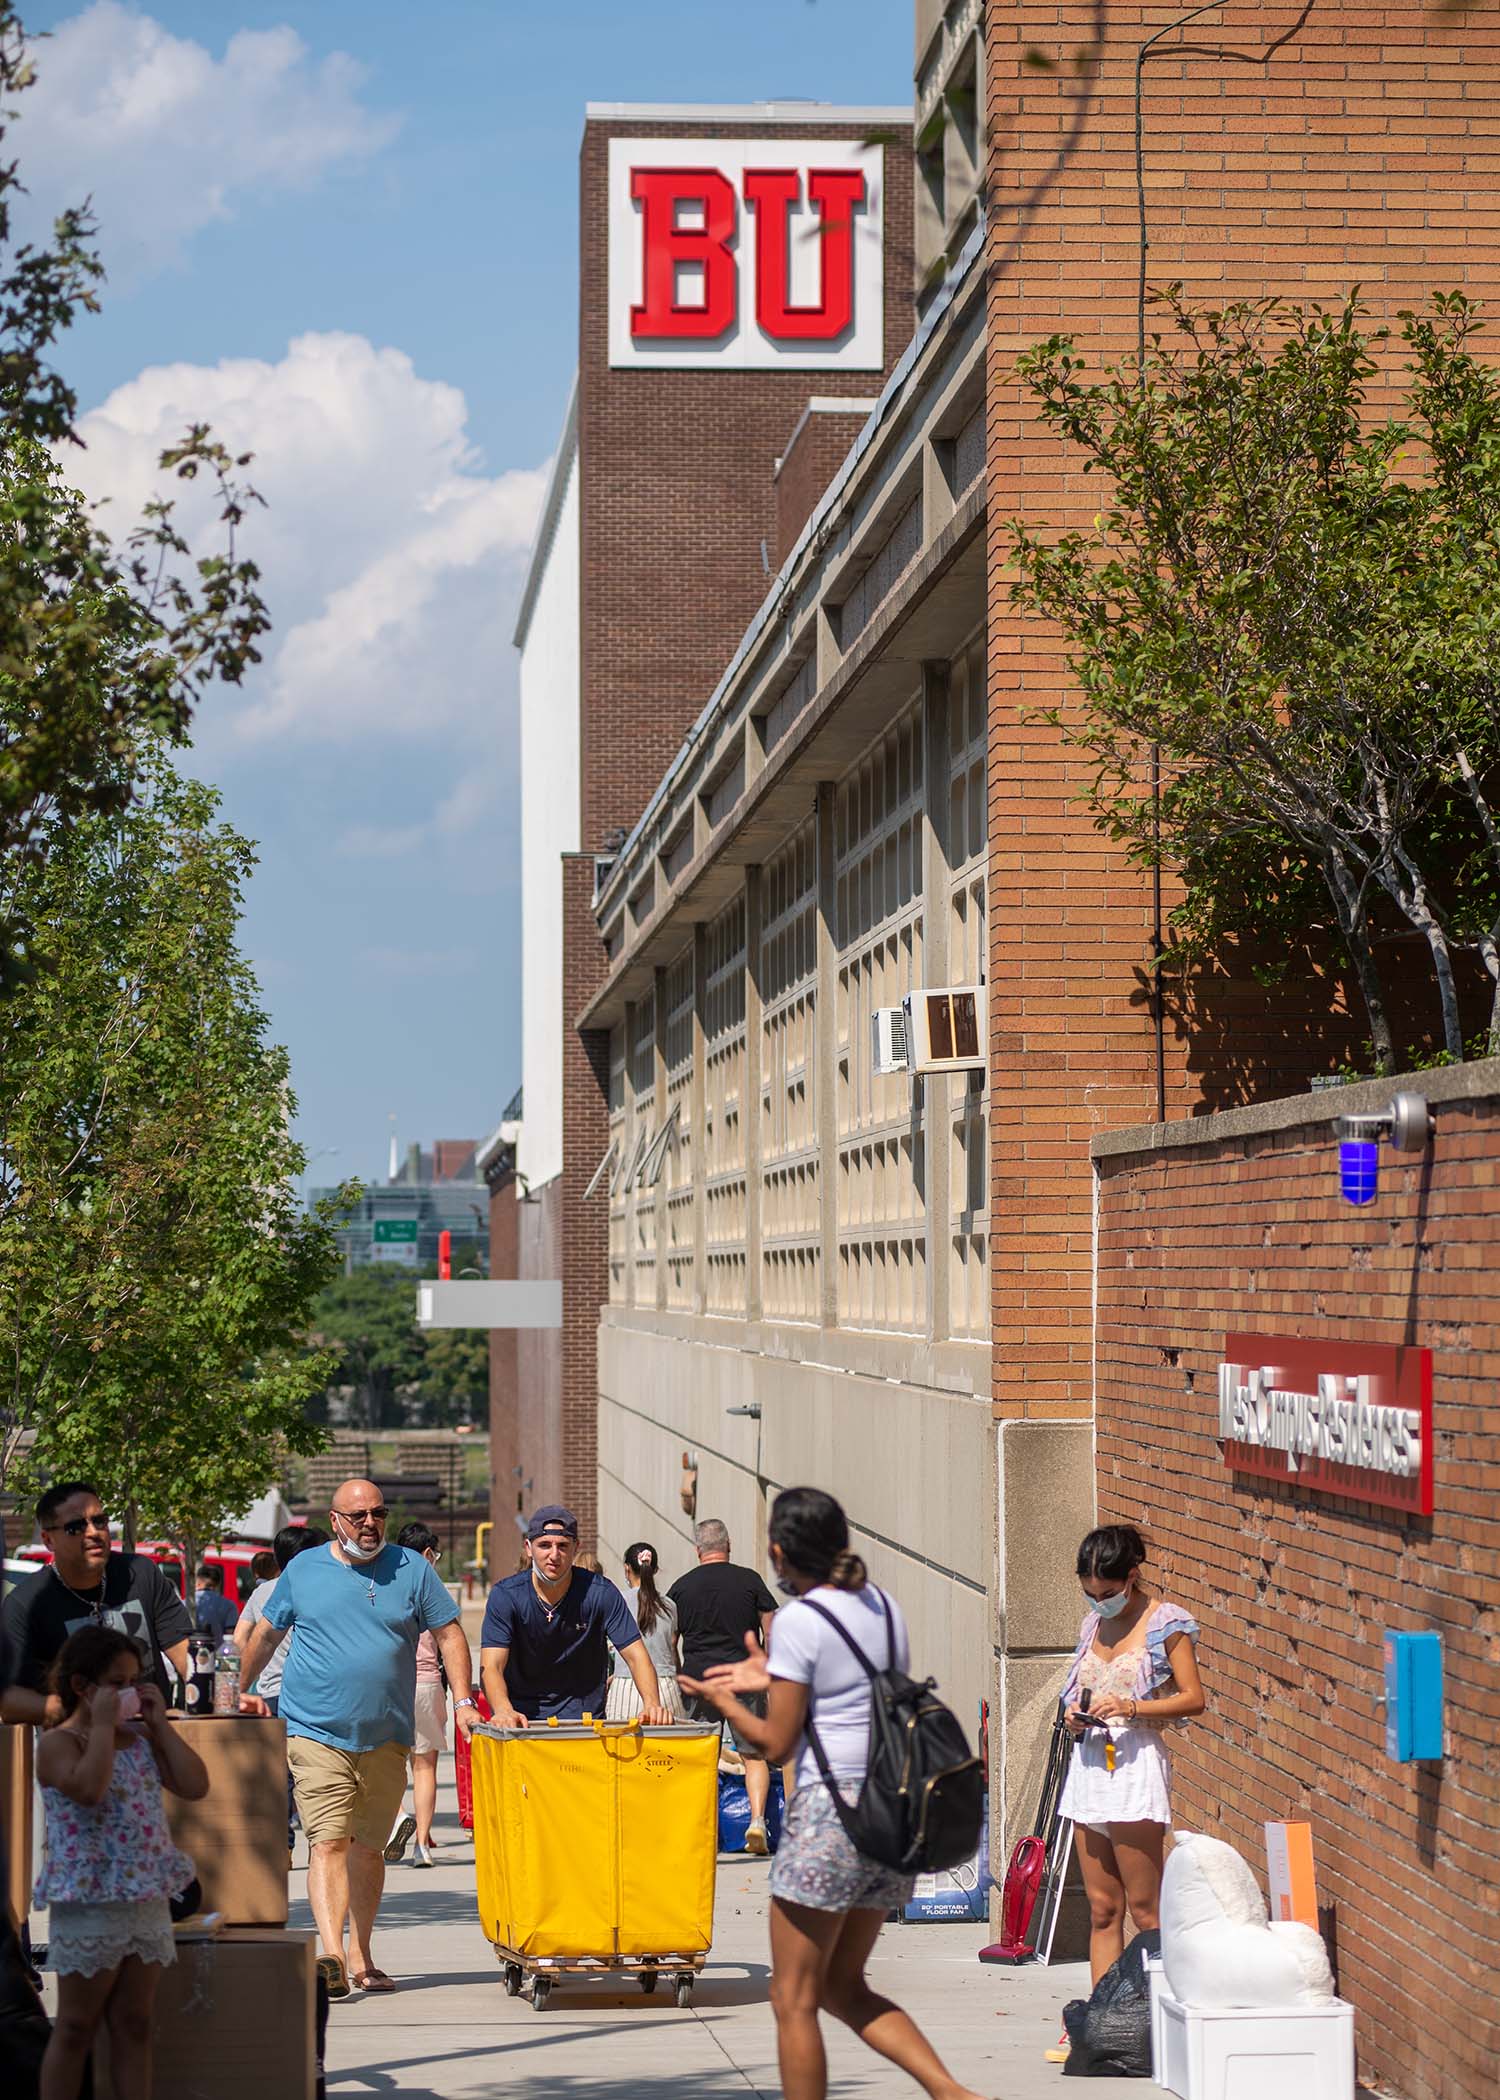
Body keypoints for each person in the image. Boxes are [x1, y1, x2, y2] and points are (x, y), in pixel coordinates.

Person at [682, 1486, 987, 2100]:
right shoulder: (880, 1605)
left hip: (829, 1818)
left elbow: (777, 1742)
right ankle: (952, 2093)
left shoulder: (799, 1619)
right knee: (844, 1986)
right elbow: (855, 1686)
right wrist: (772, 1671)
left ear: (777, 1551)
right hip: (888, 1816)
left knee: (792, 1997)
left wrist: (725, 1703)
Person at [238, 1479, 478, 2001]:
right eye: (358, 1516)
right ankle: (331, 1955)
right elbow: (268, 1632)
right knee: (327, 1841)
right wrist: (239, 1689)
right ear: (335, 1519)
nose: (370, 1524)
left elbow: (450, 1633)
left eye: (378, 1514)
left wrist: (463, 1701)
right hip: (314, 1730)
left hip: (387, 1734)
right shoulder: (304, 1569)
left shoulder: (410, 1569)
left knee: (368, 1849)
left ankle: (361, 1953)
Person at [34, 1624, 208, 2100]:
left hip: (144, 1897)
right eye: (117, 1683)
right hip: (90, 1900)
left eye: (136, 1680)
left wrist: (158, 1725)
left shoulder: (141, 1740)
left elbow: (195, 1785)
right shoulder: (58, 1744)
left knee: (134, 2022)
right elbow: (89, 1790)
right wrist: (105, 1729)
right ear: (81, 1688)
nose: (129, 1692)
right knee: (75, 2026)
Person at [1057, 1523, 1204, 1996]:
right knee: (1102, 1908)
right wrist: (1073, 1714)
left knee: (1146, 1909)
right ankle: (1101, 2017)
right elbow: (1078, 1689)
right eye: (1090, 1592)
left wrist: (1132, 1706)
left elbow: (1193, 1699)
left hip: (1135, 1764)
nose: (1099, 1601)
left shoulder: (1167, 1623)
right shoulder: (1093, 1623)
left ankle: (1163, 2011)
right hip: (1090, 1767)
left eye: (1107, 1591)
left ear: (1132, 1576)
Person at [0, 1484, 192, 1726]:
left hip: (153, 1742)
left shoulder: (141, 1573)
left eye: (99, 1521)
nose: (93, 1532)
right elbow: (9, 1701)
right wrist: (82, 1711)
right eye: (75, 1527)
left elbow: (186, 1654)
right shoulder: (25, 1604)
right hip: (79, 1752)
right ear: (49, 1540)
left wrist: (221, 1694)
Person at [480, 1505, 670, 1727]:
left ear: (576, 1548)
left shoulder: (600, 1592)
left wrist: (652, 1704)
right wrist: (503, 1709)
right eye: (544, 1545)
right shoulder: (506, 1596)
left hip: (584, 1722)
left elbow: (636, 1656)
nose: (554, 1555)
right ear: (528, 1548)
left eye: (563, 1546)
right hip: (522, 1721)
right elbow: (491, 1665)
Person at [669, 1517, 778, 1852]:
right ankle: (757, 1822)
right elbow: (772, 1629)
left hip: (700, 1680)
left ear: (697, 1550)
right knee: (754, 1756)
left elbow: (672, 1641)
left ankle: (701, 1831)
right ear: (728, 1546)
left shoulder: (681, 1587)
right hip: (744, 1679)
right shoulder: (750, 1581)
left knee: (701, 1757)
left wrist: (680, 1676)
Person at [234, 1524, 328, 1858]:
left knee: (278, 1776)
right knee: (315, 1770)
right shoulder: (317, 1586)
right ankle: (324, 1841)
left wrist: (253, 1673)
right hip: (311, 1693)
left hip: (271, 1693)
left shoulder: (262, 1593)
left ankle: (284, 1847)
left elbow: (239, 1638)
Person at [383, 1523, 448, 1869]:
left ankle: (397, 1817)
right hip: (427, 1684)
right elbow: (450, 1642)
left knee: (385, 1764)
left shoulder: (386, 1585)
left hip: (393, 1684)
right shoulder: (434, 1589)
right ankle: (422, 1844)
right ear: (426, 1555)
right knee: (425, 1768)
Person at [605, 1542, 684, 1722]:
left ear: (627, 1569)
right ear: (655, 1570)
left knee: (622, 1746)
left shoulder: (618, 1601)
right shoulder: (669, 1605)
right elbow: (672, 1647)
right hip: (665, 1685)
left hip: (625, 1685)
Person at [192, 1564, 237, 1643]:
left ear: (198, 1581)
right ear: (218, 1584)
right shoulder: (229, 1605)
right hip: (217, 1652)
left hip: (188, 1652)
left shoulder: (186, 1603)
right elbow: (230, 1634)